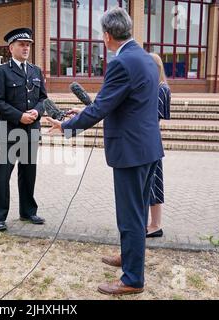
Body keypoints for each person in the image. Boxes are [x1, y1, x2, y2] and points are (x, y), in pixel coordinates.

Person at [47, 8, 164, 295]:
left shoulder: (121, 62)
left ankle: (132, 279)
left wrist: (66, 127)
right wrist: (86, 110)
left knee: (130, 215)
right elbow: (123, 102)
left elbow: (103, 107)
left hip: (131, 152)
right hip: (147, 148)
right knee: (136, 212)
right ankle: (129, 256)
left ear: (107, 35)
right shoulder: (147, 59)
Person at [0, 28, 47, 231]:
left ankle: (28, 211)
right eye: (21, 44)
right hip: (9, 130)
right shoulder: (1, 71)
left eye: (28, 44)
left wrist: (37, 112)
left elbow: (43, 99)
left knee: (29, 171)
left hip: (32, 129)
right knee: (4, 173)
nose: (26, 48)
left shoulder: (35, 71)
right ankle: (0, 215)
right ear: (11, 47)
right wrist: (19, 116)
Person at [147, 53, 171, 238]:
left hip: (150, 142)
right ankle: (152, 224)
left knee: (154, 184)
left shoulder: (160, 89)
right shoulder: (157, 88)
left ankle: (156, 225)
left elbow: (153, 117)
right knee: (152, 184)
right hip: (150, 141)